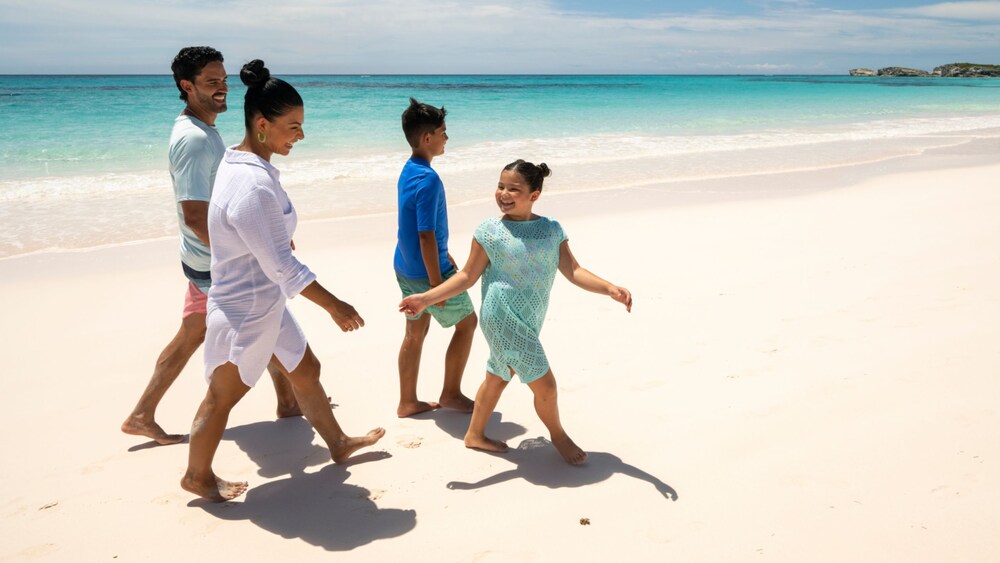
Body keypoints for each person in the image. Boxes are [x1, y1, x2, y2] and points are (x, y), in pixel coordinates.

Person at [181, 60, 384, 501]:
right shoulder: (252, 184)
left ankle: (338, 443)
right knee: (222, 397)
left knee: (306, 369)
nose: (300, 136)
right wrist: (336, 305)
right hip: (247, 311)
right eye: (292, 126)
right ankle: (197, 475)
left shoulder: (241, 165)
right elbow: (283, 269)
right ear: (260, 124)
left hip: (264, 300)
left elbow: (264, 250)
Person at [122, 46, 300, 446]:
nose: (222, 89)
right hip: (213, 264)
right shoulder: (194, 141)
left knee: (195, 333)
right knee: (267, 321)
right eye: (210, 82)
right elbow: (196, 216)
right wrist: (255, 252)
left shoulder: (203, 130)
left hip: (203, 260)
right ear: (187, 86)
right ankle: (288, 402)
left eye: (223, 81)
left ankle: (142, 413)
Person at [399, 160, 632, 465]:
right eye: (500, 186)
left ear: (534, 194)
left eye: (514, 189)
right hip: (501, 317)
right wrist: (427, 298)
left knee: (498, 375)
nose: (504, 194)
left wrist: (609, 288)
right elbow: (467, 275)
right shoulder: (490, 231)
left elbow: (572, 269)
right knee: (545, 385)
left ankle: (475, 434)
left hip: (531, 317)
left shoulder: (550, 230)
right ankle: (558, 435)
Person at [393, 98, 477, 417]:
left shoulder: (410, 169)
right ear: (427, 137)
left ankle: (407, 401)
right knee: (468, 323)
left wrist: (445, 252)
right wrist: (433, 288)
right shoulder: (428, 179)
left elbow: (418, 227)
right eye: (443, 132)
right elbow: (425, 233)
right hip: (426, 272)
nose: (446, 138)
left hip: (404, 263)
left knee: (415, 333)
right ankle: (451, 393)